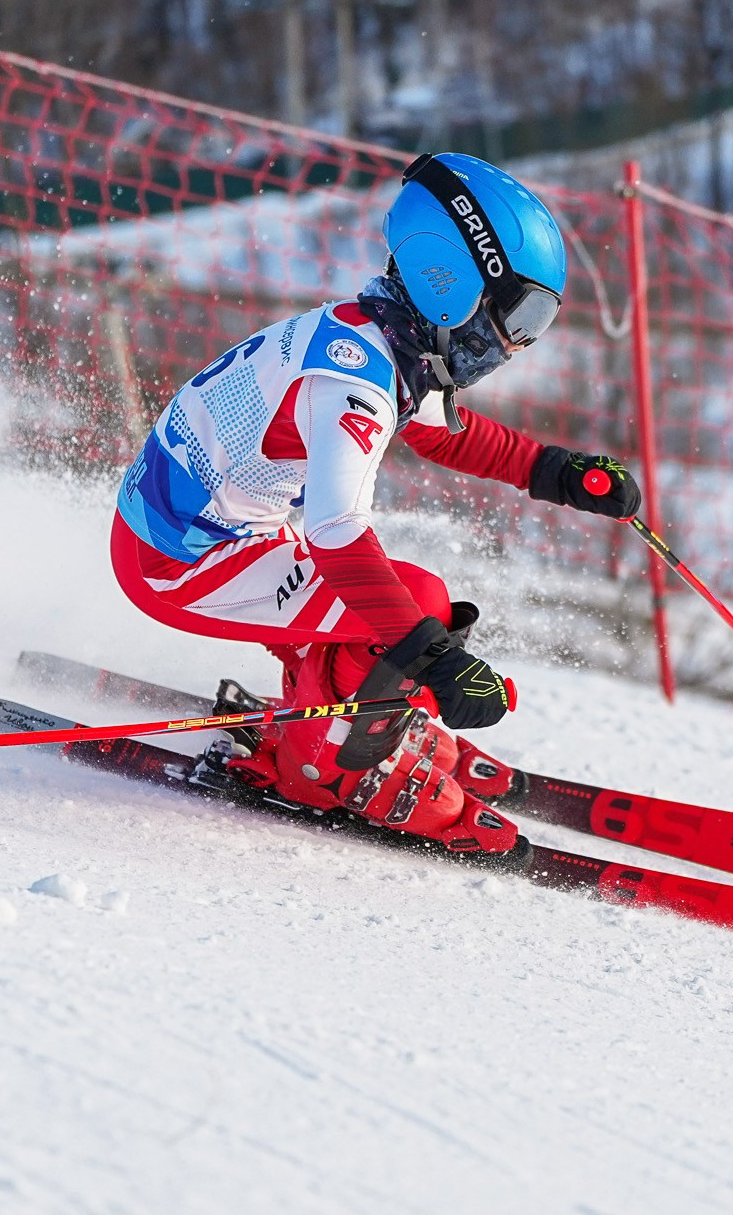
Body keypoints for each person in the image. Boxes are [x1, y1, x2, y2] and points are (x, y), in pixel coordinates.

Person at [110, 153, 642, 867]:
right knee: (412, 599)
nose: (519, 342)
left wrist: (554, 471)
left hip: (205, 532)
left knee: (397, 603)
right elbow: (336, 533)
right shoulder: (352, 380)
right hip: (182, 560)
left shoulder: (372, 337)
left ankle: (352, 712)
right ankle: (330, 766)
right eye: (521, 314)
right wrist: (437, 659)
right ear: (450, 284)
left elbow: (437, 430)